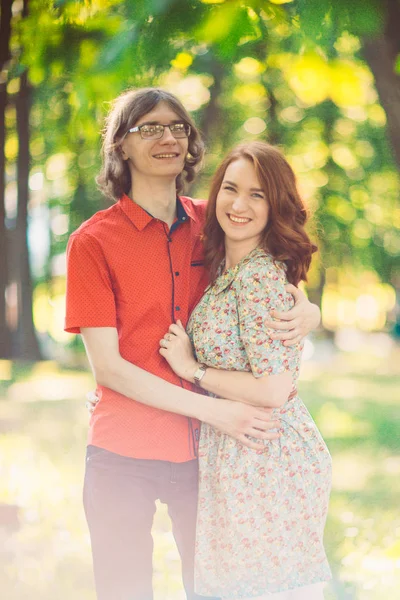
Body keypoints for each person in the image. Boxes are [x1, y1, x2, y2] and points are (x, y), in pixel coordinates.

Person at [64, 88, 321, 600]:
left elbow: (275, 271)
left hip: (206, 457)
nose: (167, 138)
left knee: (210, 591)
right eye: (149, 128)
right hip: (124, 451)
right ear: (121, 146)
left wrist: (309, 311)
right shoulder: (92, 242)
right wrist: (216, 412)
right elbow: (108, 369)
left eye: (177, 127)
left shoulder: (218, 218)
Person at [159, 142, 332, 600]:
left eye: (257, 195)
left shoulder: (257, 277)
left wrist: (192, 370)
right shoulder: (228, 271)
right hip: (235, 450)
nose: (239, 205)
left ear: (276, 206)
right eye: (231, 189)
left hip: (265, 456)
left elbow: (274, 388)